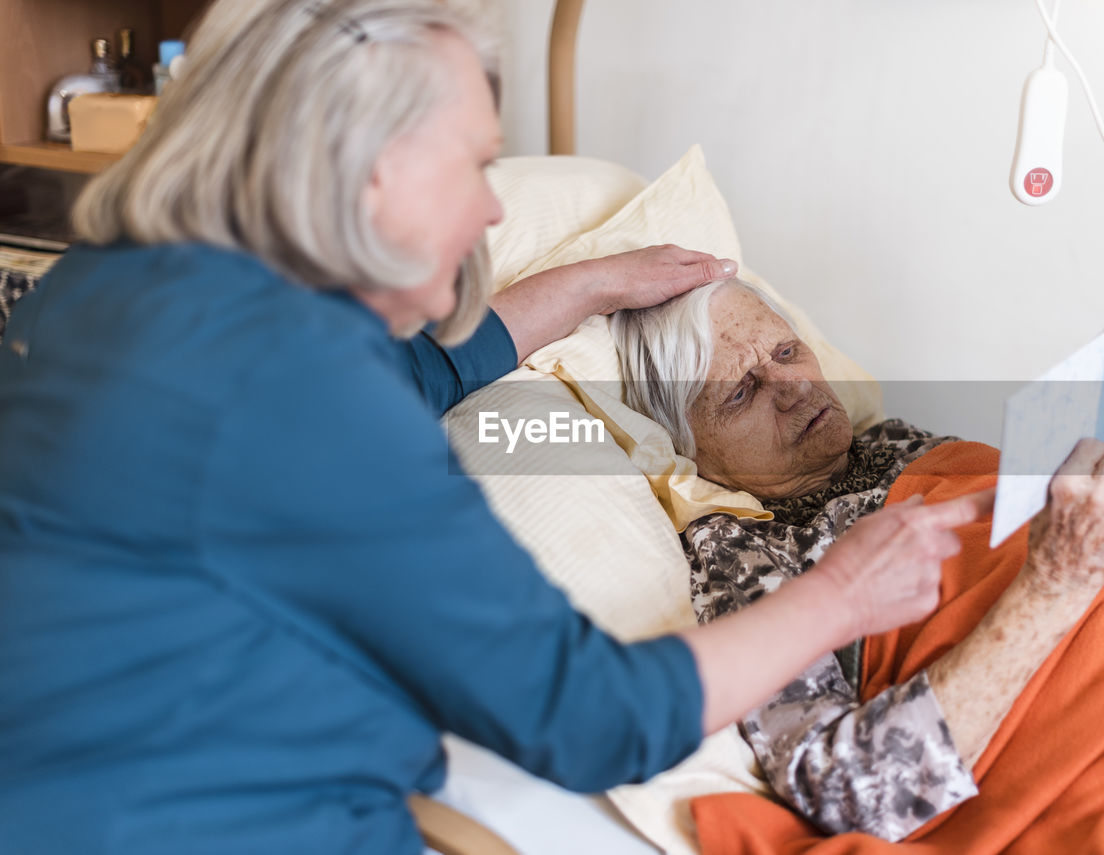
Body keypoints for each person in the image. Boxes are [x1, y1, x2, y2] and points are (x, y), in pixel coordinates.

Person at [0, 2, 985, 854]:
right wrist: (841, 597)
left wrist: (593, 282)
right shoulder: (303, 398)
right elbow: (591, 716)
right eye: (471, 162)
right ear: (358, 165)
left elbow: (415, 371)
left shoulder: (108, 285)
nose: (491, 204)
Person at [610, 240, 1104, 842]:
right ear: (687, 446)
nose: (795, 387)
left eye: (785, 353)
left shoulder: (901, 442)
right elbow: (855, 793)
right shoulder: (741, 553)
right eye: (742, 391)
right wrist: (1057, 583)